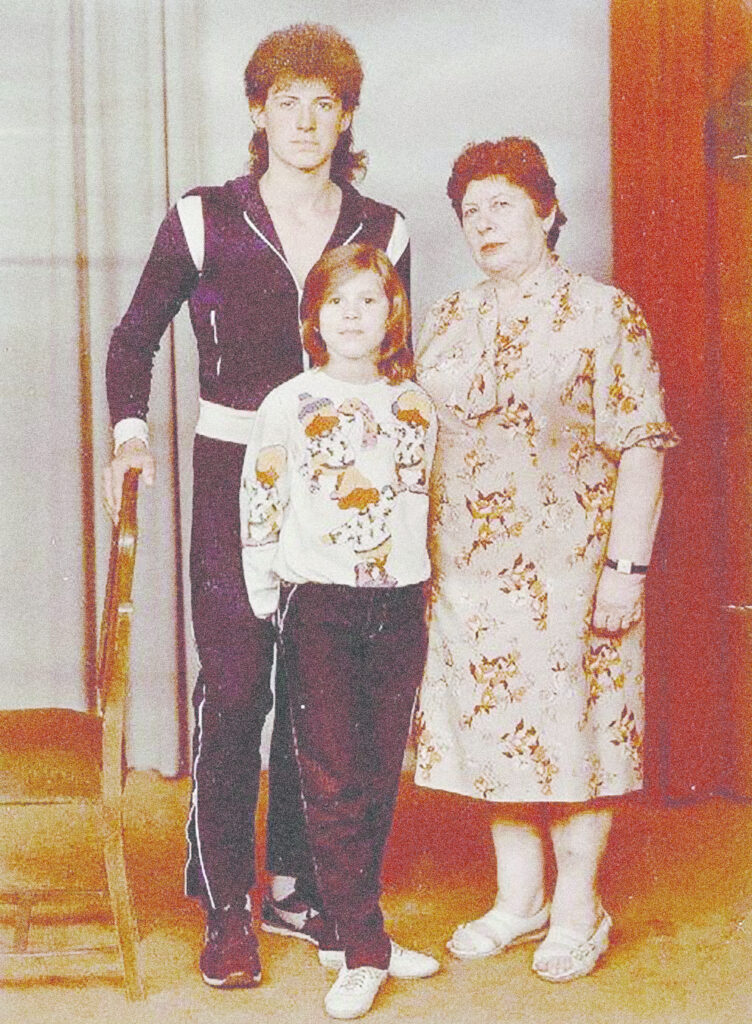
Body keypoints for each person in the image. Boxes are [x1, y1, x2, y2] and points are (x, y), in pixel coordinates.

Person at [102, 23, 411, 989]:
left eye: (325, 103)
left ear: (347, 116)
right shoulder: (204, 216)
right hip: (232, 469)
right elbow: (131, 341)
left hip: (341, 485)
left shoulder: (385, 228)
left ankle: (297, 886)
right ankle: (226, 902)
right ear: (257, 112)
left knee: (321, 699)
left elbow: (395, 370)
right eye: (288, 101)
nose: (307, 120)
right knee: (238, 689)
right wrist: (130, 436)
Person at [412, 138, 679, 982]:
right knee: (496, 735)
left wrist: (626, 570)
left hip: (572, 573)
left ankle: (578, 910)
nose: (484, 223)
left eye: (502, 205)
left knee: (576, 742)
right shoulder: (451, 315)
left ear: (547, 211)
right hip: (467, 573)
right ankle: (519, 900)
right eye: (470, 212)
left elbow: (642, 445)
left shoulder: (603, 313)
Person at [240, 243, 440, 1019]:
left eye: (368, 301)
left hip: (398, 604)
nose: (353, 316)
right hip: (318, 602)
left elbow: (421, 505)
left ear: (391, 313)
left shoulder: (414, 403)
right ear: (313, 318)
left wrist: (424, 590)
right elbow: (261, 499)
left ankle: (357, 927)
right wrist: (266, 590)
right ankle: (361, 947)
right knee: (327, 770)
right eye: (337, 303)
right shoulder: (289, 402)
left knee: (380, 766)